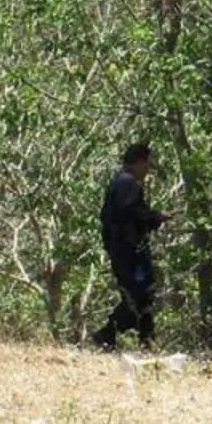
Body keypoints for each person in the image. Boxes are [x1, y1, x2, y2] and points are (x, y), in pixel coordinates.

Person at [93, 143, 172, 352]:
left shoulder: (121, 183)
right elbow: (131, 214)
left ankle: (147, 341)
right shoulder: (128, 185)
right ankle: (107, 333)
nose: (148, 170)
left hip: (125, 249)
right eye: (147, 165)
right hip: (129, 252)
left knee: (144, 295)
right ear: (138, 162)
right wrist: (156, 217)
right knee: (137, 295)